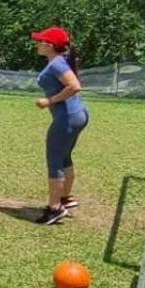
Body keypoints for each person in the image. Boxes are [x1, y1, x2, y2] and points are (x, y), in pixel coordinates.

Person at [30, 26, 88, 225]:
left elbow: (75, 86)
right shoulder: (57, 62)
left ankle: (55, 208)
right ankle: (65, 198)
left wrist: (50, 101)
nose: (37, 44)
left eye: (40, 41)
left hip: (68, 117)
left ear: (50, 45)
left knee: (54, 158)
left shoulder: (57, 64)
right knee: (63, 156)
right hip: (76, 114)